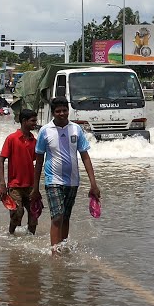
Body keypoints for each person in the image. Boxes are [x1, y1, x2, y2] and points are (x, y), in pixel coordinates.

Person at [34, 97, 101, 253]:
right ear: (53, 113)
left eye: (64, 110)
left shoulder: (76, 129)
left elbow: (85, 156)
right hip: (52, 180)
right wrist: (35, 188)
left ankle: (62, 247)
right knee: (57, 216)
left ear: (68, 110)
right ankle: (54, 253)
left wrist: (93, 184)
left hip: (72, 181)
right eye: (58, 111)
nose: (62, 114)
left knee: (65, 217)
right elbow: (38, 161)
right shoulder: (45, 131)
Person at [0, 108, 41, 236]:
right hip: (15, 185)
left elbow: (37, 162)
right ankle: (10, 236)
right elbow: (1, 161)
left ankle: (30, 241)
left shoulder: (34, 141)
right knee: (17, 213)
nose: (35, 123)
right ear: (24, 121)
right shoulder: (11, 138)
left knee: (34, 214)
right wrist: (2, 184)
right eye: (33, 121)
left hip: (31, 185)